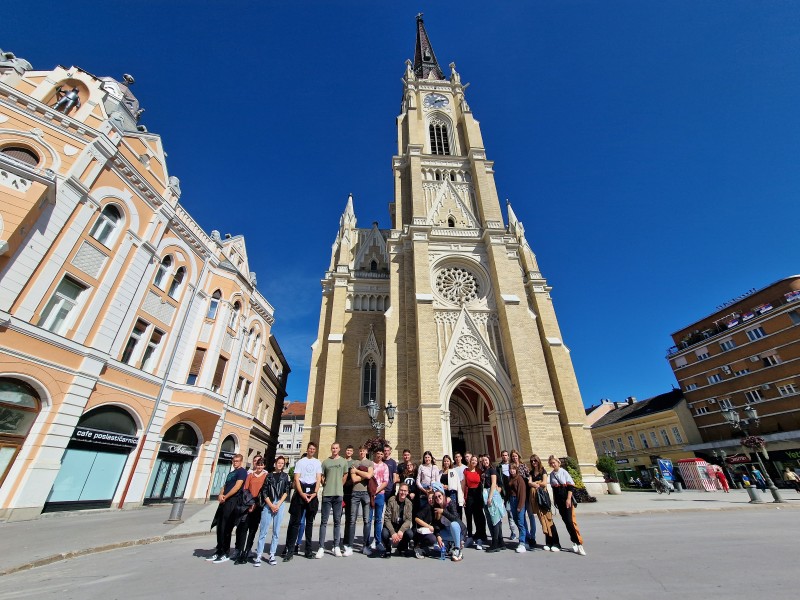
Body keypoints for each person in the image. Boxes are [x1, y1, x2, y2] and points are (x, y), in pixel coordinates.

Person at [283, 442, 322, 561]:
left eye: (313, 449)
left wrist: (315, 493)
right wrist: (301, 493)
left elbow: (318, 478)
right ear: (307, 449)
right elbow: (296, 478)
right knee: (296, 523)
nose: (311, 450)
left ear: (315, 450)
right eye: (310, 448)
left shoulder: (317, 462)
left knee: (309, 523)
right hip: (301, 492)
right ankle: (290, 551)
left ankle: (308, 551)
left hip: (312, 491)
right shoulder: (300, 462)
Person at [208, 454, 248, 563]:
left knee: (226, 527)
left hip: (232, 501)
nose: (235, 463)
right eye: (234, 461)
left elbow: (237, 487)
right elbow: (225, 486)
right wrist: (221, 494)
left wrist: (226, 496)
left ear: (241, 461)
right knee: (220, 526)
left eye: (237, 461)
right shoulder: (231, 473)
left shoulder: (242, 472)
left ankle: (225, 552)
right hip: (224, 501)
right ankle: (219, 550)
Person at [254, 455, 290, 566]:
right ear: (275, 463)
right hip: (268, 504)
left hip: (279, 504)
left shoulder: (285, 476)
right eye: (279, 463)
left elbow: (286, 491)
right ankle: (259, 555)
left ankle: (272, 554)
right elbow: (264, 491)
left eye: (282, 463)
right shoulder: (269, 476)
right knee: (263, 531)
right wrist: (271, 505)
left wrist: (278, 504)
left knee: (276, 531)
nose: (280, 465)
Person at [317, 442, 348, 558]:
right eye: (333, 448)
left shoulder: (343, 462)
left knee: (337, 521)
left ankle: (336, 546)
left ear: (339, 449)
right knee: (324, 521)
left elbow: (345, 475)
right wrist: (325, 483)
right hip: (327, 494)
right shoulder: (325, 462)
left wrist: (339, 485)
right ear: (331, 449)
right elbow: (321, 475)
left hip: (338, 494)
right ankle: (321, 547)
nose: (334, 450)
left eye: (336, 448)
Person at [548, 455, 585, 556]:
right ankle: (574, 542)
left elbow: (570, 487)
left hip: (566, 500)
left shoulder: (564, 472)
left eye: (554, 462)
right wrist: (554, 501)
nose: (553, 464)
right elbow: (554, 489)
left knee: (570, 522)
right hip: (559, 501)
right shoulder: (551, 475)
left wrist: (569, 499)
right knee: (566, 522)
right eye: (551, 463)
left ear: (558, 462)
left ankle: (579, 543)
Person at [234, 456, 268, 564]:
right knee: (244, 529)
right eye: (258, 464)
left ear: (264, 466)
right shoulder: (250, 475)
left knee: (253, 530)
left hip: (259, 506)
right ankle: (240, 552)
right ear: (255, 465)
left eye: (261, 465)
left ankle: (247, 551)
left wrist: (257, 503)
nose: (259, 467)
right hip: (248, 505)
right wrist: (250, 503)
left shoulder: (266, 476)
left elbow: (265, 491)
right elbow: (245, 489)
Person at [346, 445, 374, 556]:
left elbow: (369, 476)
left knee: (367, 521)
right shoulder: (355, 462)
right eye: (360, 451)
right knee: (352, 520)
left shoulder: (370, 463)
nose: (362, 452)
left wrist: (357, 471)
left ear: (366, 452)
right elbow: (354, 479)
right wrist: (365, 475)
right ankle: (350, 546)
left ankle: (365, 546)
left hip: (366, 493)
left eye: (363, 451)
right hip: (355, 493)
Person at [528, 454, 559, 551]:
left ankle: (556, 543)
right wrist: (537, 483)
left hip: (543, 498)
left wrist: (536, 483)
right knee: (542, 520)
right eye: (532, 461)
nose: (534, 462)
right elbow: (529, 482)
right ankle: (548, 542)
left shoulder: (543, 471)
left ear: (538, 461)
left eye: (535, 460)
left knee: (549, 519)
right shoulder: (531, 472)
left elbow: (544, 483)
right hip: (536, 499)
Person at [430, 483, 464, 561]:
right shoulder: (435, 507)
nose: (437, 498)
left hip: (458, 532)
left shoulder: (450, 503)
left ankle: (457, 549)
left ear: (443, 495)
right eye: (435, 497)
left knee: (454, 524)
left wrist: (443, 512)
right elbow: (435, 524)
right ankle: (449, 545)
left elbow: (456, 518)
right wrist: (438, 536)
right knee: (433, 536)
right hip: (447, 532)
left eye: (439, 496)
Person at [381, 483, 414, 557]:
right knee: (384, 533)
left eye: (405, 491)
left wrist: (401, 530)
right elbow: (387, 518)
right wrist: (393, 532)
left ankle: (401, 547)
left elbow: (409, 520)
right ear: (398, 491)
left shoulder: (409, 503)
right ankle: (388, 548)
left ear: (407, 492)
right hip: (392, 524)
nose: (403, 492)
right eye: (401, 490)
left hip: (402, 525)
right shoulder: (391, 500)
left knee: (409, 534)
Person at [481, 454, 505, 552]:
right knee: (492, 520)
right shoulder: (484, 472)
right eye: (483, 460)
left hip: (491, 496)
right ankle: (501, 542)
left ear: (489, 460)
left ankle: (495, 544)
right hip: (486, 495)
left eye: (486, 460)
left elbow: (494, 483)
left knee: (495, 519)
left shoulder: (492, 470)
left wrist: (490, 497)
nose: (485, 462)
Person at [369, 448, 391, 554]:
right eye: (378, 453)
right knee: (368, 520)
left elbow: (385, 482)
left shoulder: (385, 466)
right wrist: (372, 492)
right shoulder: (370, 464)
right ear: (374, 454)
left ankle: (378, 542)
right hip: (370, 494)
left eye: (381, 454)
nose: (379, 455)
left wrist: (376, 491)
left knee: (378, 519)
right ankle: (366, 543)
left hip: (380, 494)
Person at [462, 454, 486, 549]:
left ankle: (479, 537)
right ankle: (470, 537)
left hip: (478, 495)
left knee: (478, 516)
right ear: (470, 461)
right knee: (468, 516)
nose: (474, 462)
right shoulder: (466, 471)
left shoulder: (479, 471)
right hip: (469, 495)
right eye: (473, 460)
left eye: (476, 461)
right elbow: (463, 484)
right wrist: (463, 497)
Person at [496, 450, 518, 541]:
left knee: (516, 513)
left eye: (506, 455)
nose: (504, 457)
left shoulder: (513, 465)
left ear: (508, 456)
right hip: (505, 493)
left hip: (514, 492)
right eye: (503, 455)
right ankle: (513, 532)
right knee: (509, 512)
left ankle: (521, 532)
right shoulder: (499, 467)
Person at [507, 463, 528, 553]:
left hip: (518, 500)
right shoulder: (510, 478)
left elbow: (522, 493)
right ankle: (526, 539)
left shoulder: (520, 479)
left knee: (520, 522)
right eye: (510, 469)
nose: (512, 470)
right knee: (516, 520)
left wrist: (520, 506)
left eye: (513, 469)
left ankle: (522, 542)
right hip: (512, 500)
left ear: (516, 470)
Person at [342, 445, 356, 552]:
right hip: (340, 492)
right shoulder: (341, 461)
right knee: (337, 518)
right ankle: (337, 542)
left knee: (349, 518)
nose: (348, 452)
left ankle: (346, 541)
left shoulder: (354, 463)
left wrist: (348, 483)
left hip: (350, 492)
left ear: (352, 452)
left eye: (350, 451)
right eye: (347, 450)